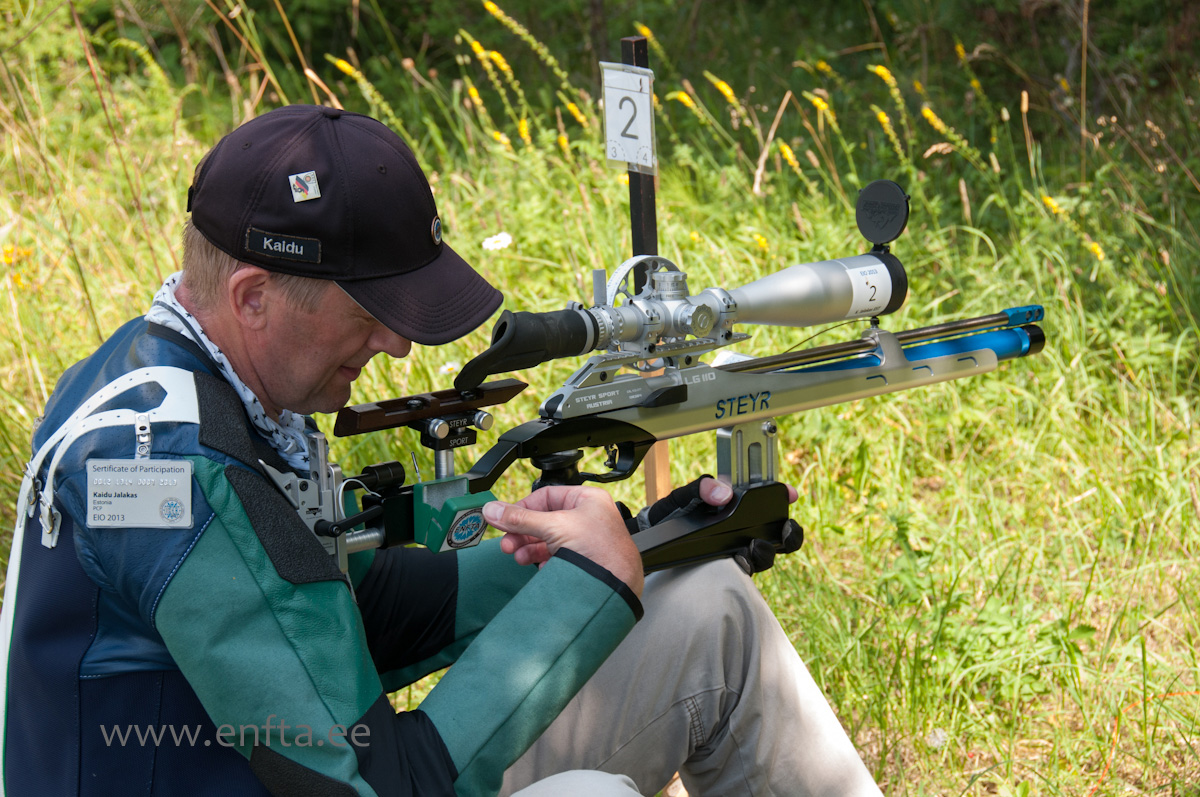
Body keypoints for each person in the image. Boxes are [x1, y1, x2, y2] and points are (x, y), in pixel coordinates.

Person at [0, 105, 881, 796]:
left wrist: (629, 543)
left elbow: (329, 612)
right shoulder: (167, 476)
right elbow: (382, 784)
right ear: (254, 295)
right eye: (371, 311)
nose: (395, 344)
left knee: (707, 604)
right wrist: (591, 588)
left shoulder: (192, 381)